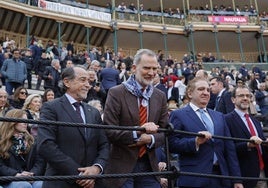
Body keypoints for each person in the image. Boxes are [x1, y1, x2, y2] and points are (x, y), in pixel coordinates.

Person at [103, 49, 168, 188]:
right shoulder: (116, 93)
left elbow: (165, 131)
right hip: (121, 168)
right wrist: (138, 132)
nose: (151, 73)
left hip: (149, 167)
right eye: (146, 68)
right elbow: (109, 131)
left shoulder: (159, 96)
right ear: (134, 68)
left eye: (154, 69)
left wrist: (150, 139)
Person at [37, 66, 109, 188]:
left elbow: (104, 145)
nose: (88, 85)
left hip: (93, 182)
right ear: (67, 82)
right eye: (83, 80)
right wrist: (79, 175)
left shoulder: (94, 112)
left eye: (89, 81)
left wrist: (96, 168)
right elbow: (46, 145)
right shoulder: (51, 108)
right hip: (61, 182)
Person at [168, 77, 243, 188]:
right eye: (201, 89)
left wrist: (237, 179)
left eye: (208, 90)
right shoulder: (179, 115)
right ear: (190, 93)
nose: (206, 93)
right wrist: (195, 142)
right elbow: (172, 144)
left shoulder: (219, 116)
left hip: (221, 178)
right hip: (194, 177)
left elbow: (229, 149)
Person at [225, 86, 268, 188]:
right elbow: (227, 148)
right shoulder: (226, 120)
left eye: (248, 96)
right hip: (243, 174)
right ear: (233, 100)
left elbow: (261, 144)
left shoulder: (256, 122)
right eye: (241, 96)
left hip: (262, 172)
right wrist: (248, 144)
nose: (245, 98)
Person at [0, 109, 45, 188]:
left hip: (31, 178)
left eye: (26, 120)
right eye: (22, 120)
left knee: (42, 185)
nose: (25, 123)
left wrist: (32, 174)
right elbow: (1, 166)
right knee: (23, 185)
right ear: (12, 122)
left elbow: (40, 162)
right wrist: (16, 174)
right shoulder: (2, 141)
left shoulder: (32, 140)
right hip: (9, 179)